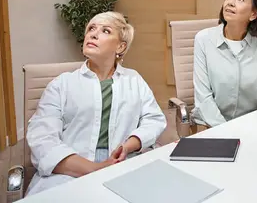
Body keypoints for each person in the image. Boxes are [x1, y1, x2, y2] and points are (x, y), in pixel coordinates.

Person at [26, 12, 166, 196]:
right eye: (91, 28)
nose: (92, 34)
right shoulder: (62, 84)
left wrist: (128, 146)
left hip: (123, 165)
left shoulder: (134, 80)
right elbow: (42, 138)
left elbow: (154, 120)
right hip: (71, 170)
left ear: (120, 47)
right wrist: (94, 168)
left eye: (105, 30)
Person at [192, 0, 257, 127]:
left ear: (253, 14)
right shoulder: (203, 39)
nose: (231, 2)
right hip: (212, 125)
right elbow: (203, 97)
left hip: (253, 123)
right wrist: (226, 131)